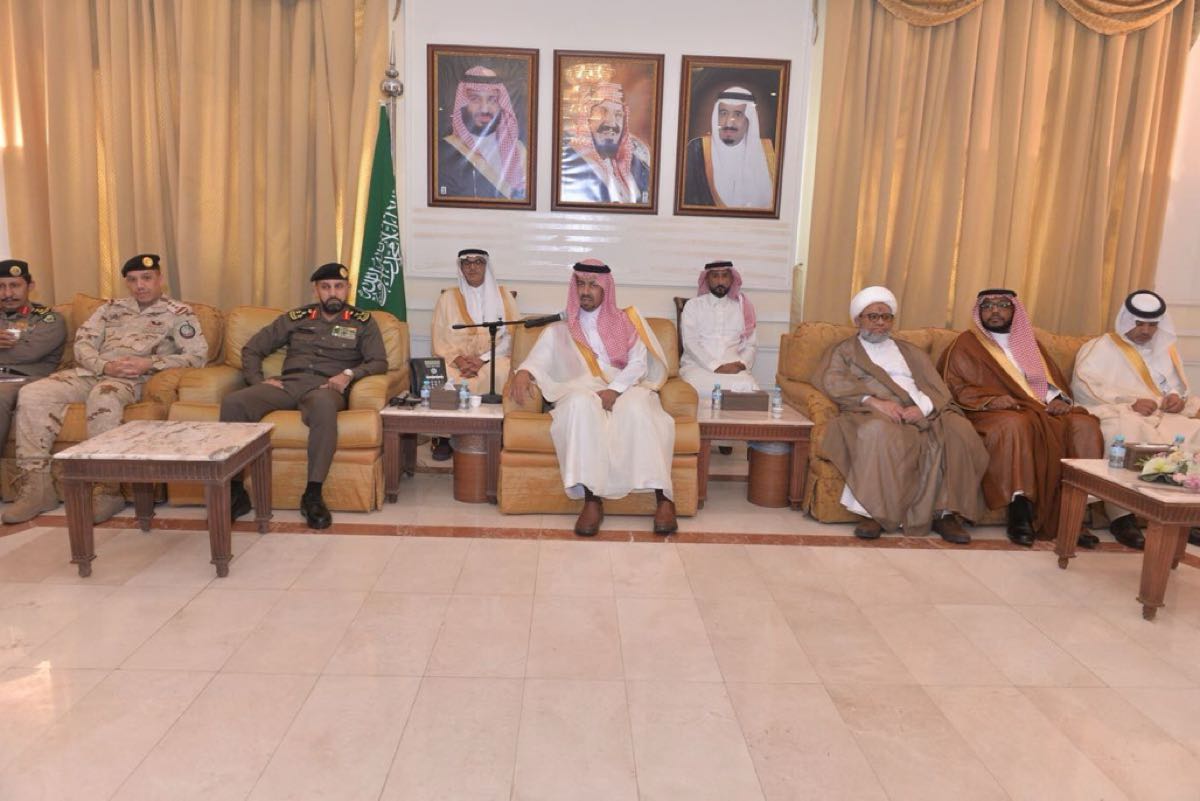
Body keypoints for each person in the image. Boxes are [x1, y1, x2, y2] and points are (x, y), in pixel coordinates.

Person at [4, 254, 208, 524]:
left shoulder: (178, 313)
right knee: (34, 393)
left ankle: (106, 489)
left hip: (132, 379)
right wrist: (103, 365)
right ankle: (37, 488)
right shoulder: (110, 309)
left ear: (159, 279)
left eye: (146, 278)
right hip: (93, 372)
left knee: (103, 397)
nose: (140, 286)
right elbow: (83, 344)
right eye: (132, 280)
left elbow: (197, 356)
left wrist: (150, 363)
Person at [508, 259, 676, 536]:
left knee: (638, 408)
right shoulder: (560, 330)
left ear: (606, 289)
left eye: (592, 285)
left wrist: (614, 390)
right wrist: (524, 372)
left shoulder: (627, 322)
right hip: (582, 389)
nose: (585, 291)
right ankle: (591, 500)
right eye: (581, 284)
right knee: (579, 405)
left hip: (626, 386)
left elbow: (638, 364)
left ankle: (663, 498)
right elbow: (538, 360)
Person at [220, 263, 388, 529]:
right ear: (316, 290)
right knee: (234, 402)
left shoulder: (363, 322)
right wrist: (258, 380)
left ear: (347, 289)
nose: (332, 292)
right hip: (288, 384)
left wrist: (348, 374)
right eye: (326, 287)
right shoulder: (297, 317)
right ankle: (236, 491)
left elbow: (379, 362)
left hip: (325, 388)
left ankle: (312, 494)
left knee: (323, 406)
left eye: (338, 286)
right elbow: (252, 348)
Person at [814, 286, 988, 543]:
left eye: (886, 317)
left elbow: (936, 387)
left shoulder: (910, 351)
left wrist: (923, 408)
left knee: (959, 430)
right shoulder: (845, 351)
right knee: (877, 432)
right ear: (857, 320)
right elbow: (832, 380)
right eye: (873, 316)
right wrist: (874, 402)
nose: (880, 323)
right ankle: (873, 512)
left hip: (921, 408)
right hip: (872, 411)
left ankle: (946, 513)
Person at [939, 289, 1105, 548]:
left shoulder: (1030, 343)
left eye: (1002, 305)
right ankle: (1020, 510)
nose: (994, 311)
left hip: (1037, 408)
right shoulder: (967, 343)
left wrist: (1058, 400)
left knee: (1085, 425)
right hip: (990, 412)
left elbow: (1047, 383)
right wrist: (991, 400)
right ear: (979, 312)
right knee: (1015, 424)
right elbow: (955, 385)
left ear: (1015, 310)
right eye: (987, 306)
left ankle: (1073, 513)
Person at [1072, 289, 1200, 547]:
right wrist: (1131, 401)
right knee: (1125, 432)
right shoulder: (1101, 347)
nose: (1146, 331)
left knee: (1193, 432)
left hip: (1162, 414)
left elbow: (1176, 387)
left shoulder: (1166, 350)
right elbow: (1085, 385)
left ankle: (1185, 516)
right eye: (1139, 324)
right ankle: (1122, 516)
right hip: (1120, 410)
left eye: (1152, 325)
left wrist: (1176, 399)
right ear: (1126, 320)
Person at [428, 247, 520, 459]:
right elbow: (439, 337)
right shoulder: (448, 298)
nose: (472, 267)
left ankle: (499, 434)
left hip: (494, 358)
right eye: (466, 263)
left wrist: (482, 360)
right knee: (446, 377)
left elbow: (512, 337)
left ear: (486, 266)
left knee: (502, 373)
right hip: (456, 360)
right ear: (460, 267)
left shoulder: (504, 297)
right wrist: (460, 361)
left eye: (478, 262)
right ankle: (445, 437)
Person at [0, 259, 67, 454]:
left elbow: (28, 353)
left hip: (24, 379)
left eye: (15, 285)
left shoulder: (48, 319)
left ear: (30, 286)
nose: (7, 293)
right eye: (1, 287)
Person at [436, 66, 528, 201]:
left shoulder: (519, 150)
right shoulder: (444, 151)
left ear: (501, 104)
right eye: (475, 99)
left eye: (492, 100)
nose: (484, 109)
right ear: (462, 103)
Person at [682, 87, 777, 209]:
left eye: (738, 114)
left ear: (749, 119)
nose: (729, 123)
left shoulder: (770, 153)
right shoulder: (696, 150)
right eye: (723, 113)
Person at [559, 82, 651, 204]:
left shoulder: (638, 166)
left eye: (618, 115)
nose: (611, 123)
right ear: (586, 118)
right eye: (601, 112)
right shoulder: (569, 163)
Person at [679, 260, 759, 397]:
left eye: (725, 276)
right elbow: (690, 343)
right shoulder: (693, 306)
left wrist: (740, 364)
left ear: (732, 279)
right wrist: (716, 366)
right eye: (715, 276)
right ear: (707, 279)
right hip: (698, 368)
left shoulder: (742, 308)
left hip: (734, 369)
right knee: (692, 391)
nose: (720, 281)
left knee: (752, 389)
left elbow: (751, 344)